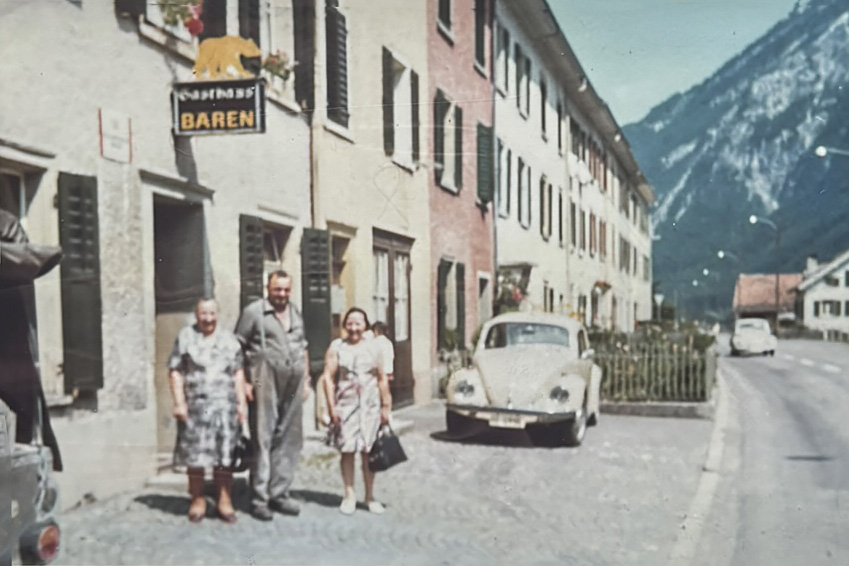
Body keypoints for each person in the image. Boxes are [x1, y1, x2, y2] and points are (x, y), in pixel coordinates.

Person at [235, 270, 311, 521]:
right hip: (261, 376)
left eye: (286, 290)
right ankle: (259, 498)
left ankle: (279, 492)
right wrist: (245, 382)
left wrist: (307, 378)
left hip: (294, 378)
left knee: (290, 436)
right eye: (278, 290)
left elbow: (303, 346)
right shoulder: (254, 312)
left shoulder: (295, 311)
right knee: (263, 435)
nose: (282, 295)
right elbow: (238, 348)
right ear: (268, 288)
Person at [167, 298, 247, 524]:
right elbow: (175, 371)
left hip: (225, 407)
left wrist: (241, 404)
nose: (208, 319)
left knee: (224, 456)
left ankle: (224, 500)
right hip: (195, 407)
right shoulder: (185, 338)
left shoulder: (229, 340)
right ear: (196, 315)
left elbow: (238, 373)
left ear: (218, 314)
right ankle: (197, 499)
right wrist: (179, 402)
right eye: (203, 314)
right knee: (195, 457)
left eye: (212, 313)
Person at [320, 307, 392, 515]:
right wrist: (331, 407)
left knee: (369, 452)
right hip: (346, 406)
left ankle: (369, 496)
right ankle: (349, 494)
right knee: (348, 450)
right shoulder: (337, 347)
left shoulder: (374, 348)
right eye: (350, 323)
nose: (354, 328)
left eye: (358, 323)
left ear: (365, 326)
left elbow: (381, 378)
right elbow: (327, 377)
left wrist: (386, 405)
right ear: (344, 326)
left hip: (369, 406)